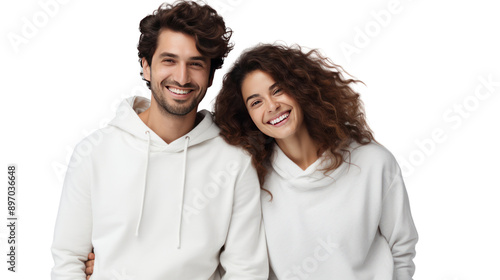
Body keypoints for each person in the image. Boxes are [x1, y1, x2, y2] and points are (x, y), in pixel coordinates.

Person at [51, 2, 268, 279]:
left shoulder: (235, 161)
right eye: (169, 60)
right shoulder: (94, 152)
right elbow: (68, 259)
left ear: (211, 75)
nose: (181, 77)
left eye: (196, 64)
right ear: (146, 67)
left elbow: (246, 270)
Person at [213, 44, 419, 279]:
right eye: (256, 102)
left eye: (278, 90)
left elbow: (402, 250)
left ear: (300, 88)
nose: (272, 106)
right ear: (247, 116)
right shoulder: (251, 179)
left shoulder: (374, 162)